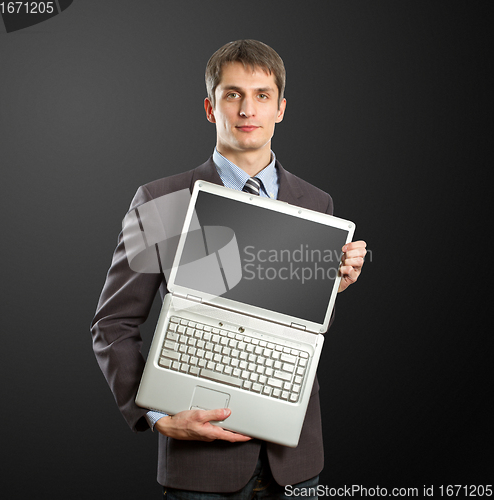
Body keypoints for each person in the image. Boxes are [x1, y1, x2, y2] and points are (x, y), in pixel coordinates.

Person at [91, 39, 366, 499]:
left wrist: (331, 289)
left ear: (281, 108)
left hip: (296, 462)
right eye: (232, 94)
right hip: (199, 467)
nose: (246, 109)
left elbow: (302, 331)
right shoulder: (160, 201)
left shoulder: (318, 205)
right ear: (209, 107)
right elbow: (113, 323)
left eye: (261, 95)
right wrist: (159, 417)